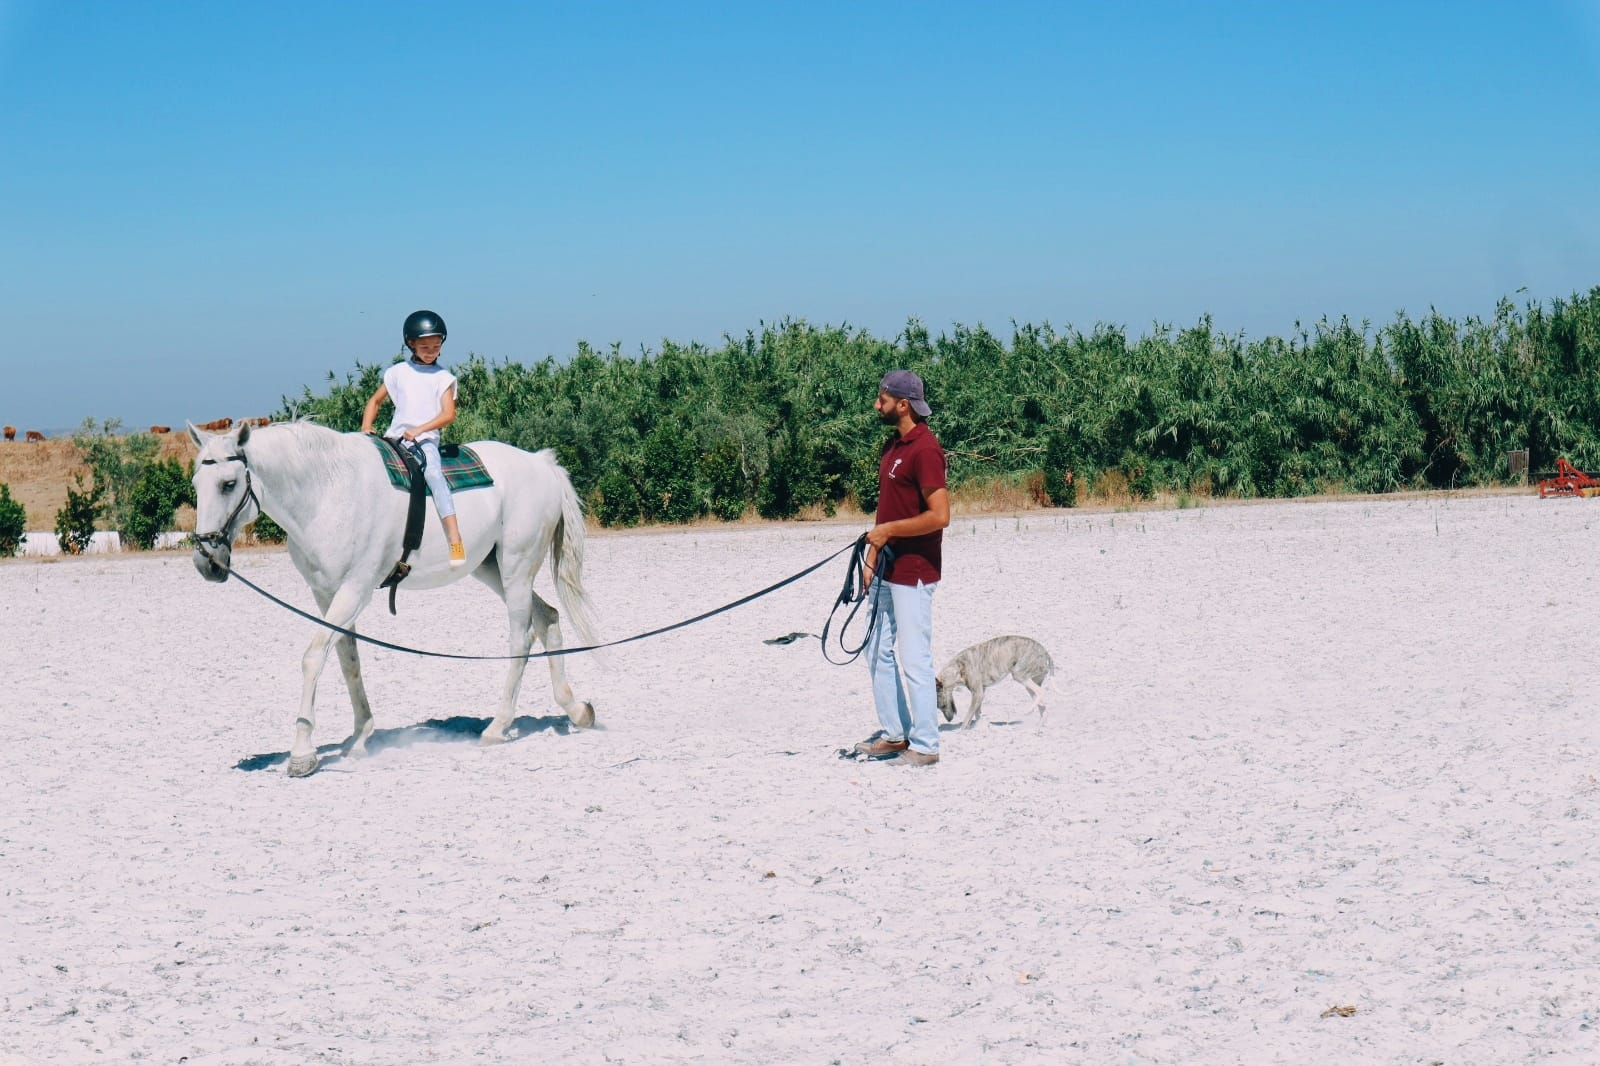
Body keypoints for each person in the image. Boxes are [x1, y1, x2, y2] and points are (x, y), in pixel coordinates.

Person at [852, 369, 951, 767]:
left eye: (882, 399)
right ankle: (895, 735)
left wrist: (887, 532)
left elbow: (940, 516)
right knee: (876, 651)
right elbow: (886, 510)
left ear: (902, 403)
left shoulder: (926, 450)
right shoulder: (892, 447)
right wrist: (873, 555)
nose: (877, 405)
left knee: (914, 658)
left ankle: (925, 745)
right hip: (887, 567)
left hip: (915, 570)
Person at [360, 309, 466, 567]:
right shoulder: (398, 372)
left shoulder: (444, 378)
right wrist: (365, 427)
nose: (431, 350)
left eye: (436, 345)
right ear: (411, 344)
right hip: (393, 438)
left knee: (433, 475)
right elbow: (375, 400)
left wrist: (420, 430)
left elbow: (448, 414)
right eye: (425, 346)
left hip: (425, 440)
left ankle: (455, 539)